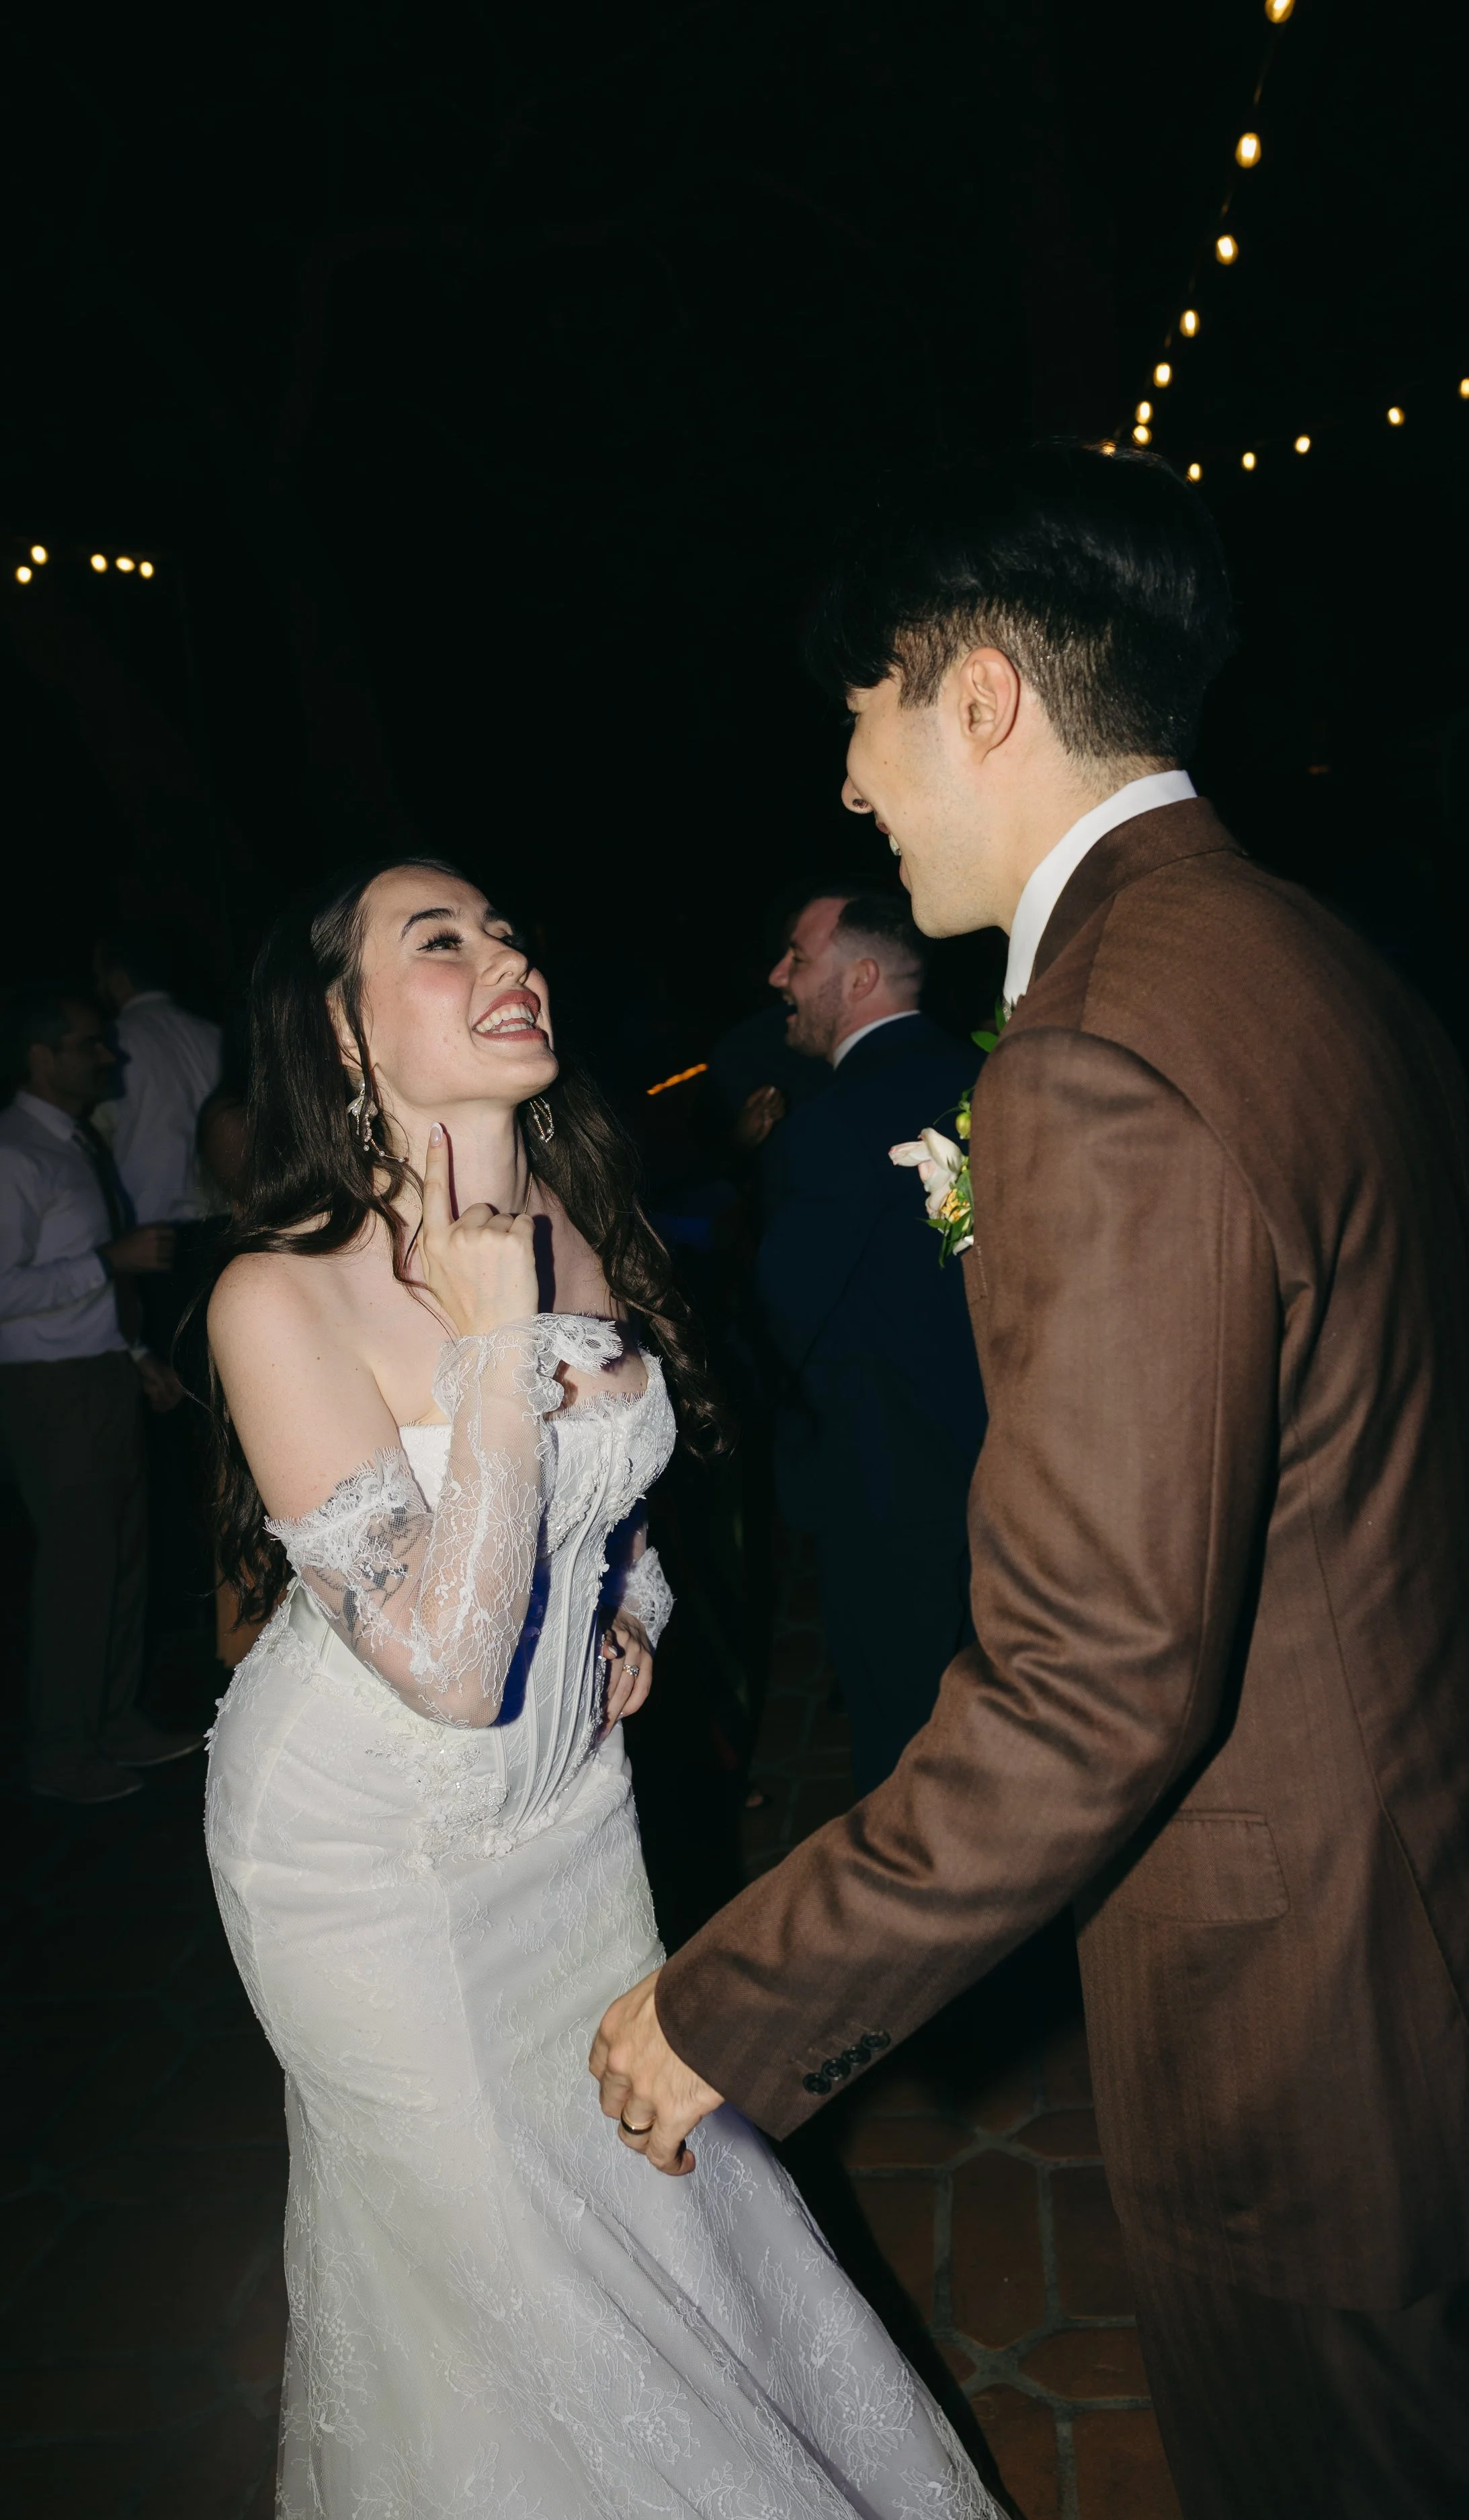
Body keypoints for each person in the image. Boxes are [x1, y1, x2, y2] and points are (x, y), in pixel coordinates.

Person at [591, 447, 1469, 2519]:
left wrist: (729, 1998)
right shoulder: (1307, 949)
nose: (845, 774)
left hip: (1317, 2033)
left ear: (979, 693)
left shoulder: (1088, 1047)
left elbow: (1092, 1684)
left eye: (863, 707)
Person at [202, 859, 1001, 2519]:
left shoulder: (569, 1222)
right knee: (493, 2255)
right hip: (369, 1856)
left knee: (644, 2175)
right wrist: (497, 1353)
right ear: (344, 1038)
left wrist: (626, 1598)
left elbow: (615, 1496)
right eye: (441, 942)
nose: (505, 956)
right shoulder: (276, 1293)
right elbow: (440, 1660)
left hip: (568, 1818)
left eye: (506, 930)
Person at [755, 887, 985, 1791]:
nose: (778, 976)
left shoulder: (823, 1132)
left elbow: (785, 1327)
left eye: (797, 958)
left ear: (860, 978)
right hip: (1018, 1482)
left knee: (913, 1769)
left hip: (892, 1506)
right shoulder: (995, 1078)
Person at [0, 990, 200, 1800]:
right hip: (51, 1389)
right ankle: (59, 1749)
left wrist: (136, 1351)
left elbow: (73, 1275)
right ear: (42, 1057)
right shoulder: (14, 1153)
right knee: (78, 1572)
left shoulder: (67, 1146)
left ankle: (113, 1722)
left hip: (98, 1371)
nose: (109, 1058)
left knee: (121, 1559)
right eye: (91, 1045)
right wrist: (110, 1263)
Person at [92, 927, 222, 1236]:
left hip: (150, 1226)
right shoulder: (213, 1034)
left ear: (119, 980)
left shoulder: (111, 1043)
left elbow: (99, 1132)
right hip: (220, 1215)